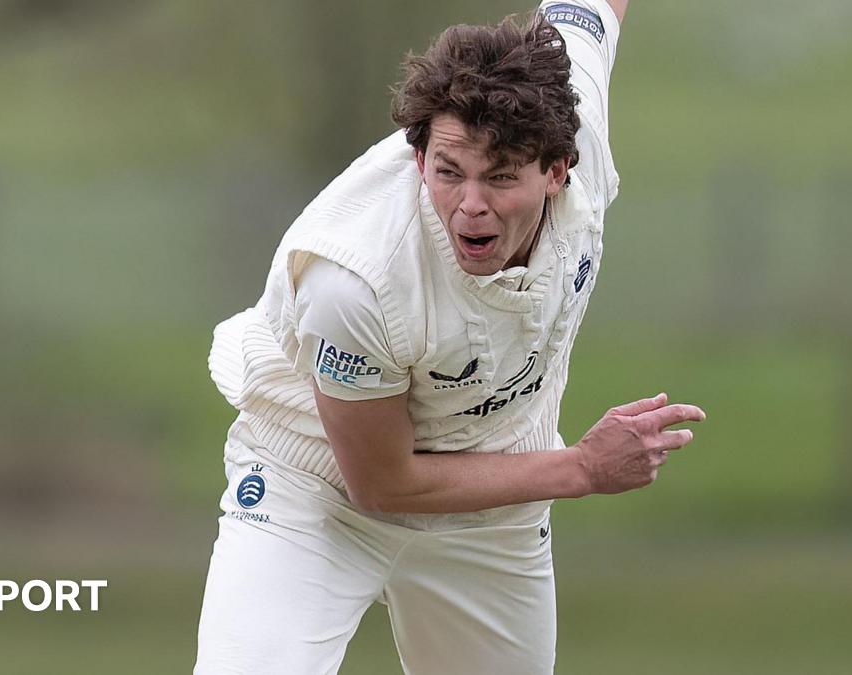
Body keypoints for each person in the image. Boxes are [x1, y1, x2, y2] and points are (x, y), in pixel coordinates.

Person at [197, 1, 705, 672]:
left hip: (493, 496)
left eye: (499, 178)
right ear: (419, 156)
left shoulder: (581, 138)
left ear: (557, 171)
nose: (470, 204)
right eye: (448, 171)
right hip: (317, 490)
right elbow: (383, 483)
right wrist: (581, 467)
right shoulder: (355, 280)